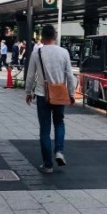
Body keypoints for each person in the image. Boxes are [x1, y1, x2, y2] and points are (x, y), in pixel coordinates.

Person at [25, 24, 76, 173]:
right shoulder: (64, 52)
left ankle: (47, 165)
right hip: (59, 94)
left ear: (42, 37)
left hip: (43, 95)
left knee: (45, 130)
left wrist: (28, 92)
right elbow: (69, 76)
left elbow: (30, 75)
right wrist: (71, 94)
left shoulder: (37, 53)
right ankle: (59, 151)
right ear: (54, 36)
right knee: (59, 123)